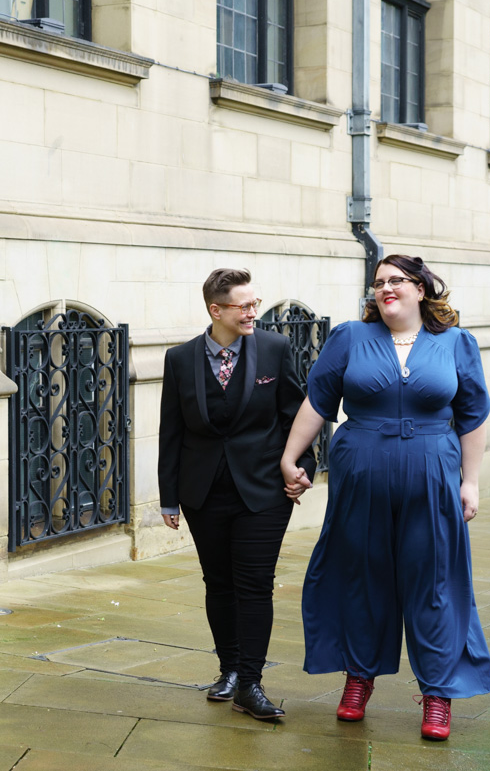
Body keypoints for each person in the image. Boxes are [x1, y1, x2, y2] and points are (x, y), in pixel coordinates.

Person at [279, 254, 490, 740]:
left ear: (421, 289)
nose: (386, 288)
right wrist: (291, 457)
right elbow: (318, 401)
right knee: (362, 576)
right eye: (379, 282)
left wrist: (471, 481)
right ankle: (359, 677)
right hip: (362, 476)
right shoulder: (351, 338)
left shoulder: (456, 343)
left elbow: (473, 415)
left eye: (397, 280)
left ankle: (437, 693)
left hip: (432, 475)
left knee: (433, 581)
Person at [159, 268, 318, 721]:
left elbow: (296, 414)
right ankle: (227, 669)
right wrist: (169, 496)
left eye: (255, 304)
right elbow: (170, 430)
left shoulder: (274, 348)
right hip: (202, 492)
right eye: (244, 306)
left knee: (254, 584)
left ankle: (251, 683)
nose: (253, 312)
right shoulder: (179, 358)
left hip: (265, 490)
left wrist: (303, 468)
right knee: (219, 583)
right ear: (216, 310)